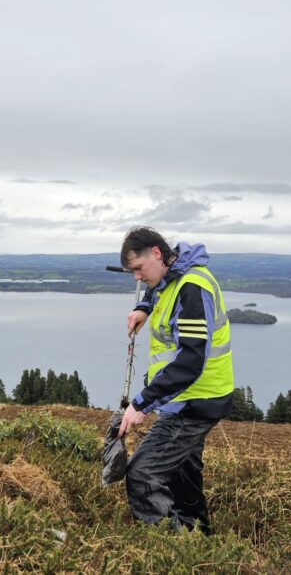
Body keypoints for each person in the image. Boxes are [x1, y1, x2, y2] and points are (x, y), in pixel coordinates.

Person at [117, 226, 234, 533]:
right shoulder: (173, 274)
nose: (137, 278)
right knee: (182, 472)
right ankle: (201, 538)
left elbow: (191, 360)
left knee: (143, 474)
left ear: (157, 253)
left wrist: (142, 403)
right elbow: (159, 289)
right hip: (191, 397)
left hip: (195, 400)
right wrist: (144, 307)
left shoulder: (192, 287)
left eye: (139, 269)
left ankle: (174, 550)